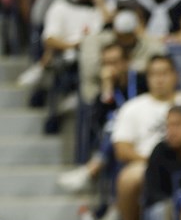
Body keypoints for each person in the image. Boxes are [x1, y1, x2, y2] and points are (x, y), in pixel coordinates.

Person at [111, 54, 181, 220]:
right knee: (128, 178)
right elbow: (121, 149)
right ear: (147, 78)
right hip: (146, 163)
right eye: (154, 74)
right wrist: (154, 161)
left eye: (164, 73)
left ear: (175, 75)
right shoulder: (133, 108)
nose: (159, 79)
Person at [58, 39, 148, 196]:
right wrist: (107, 88)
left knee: (115, 130)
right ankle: (112, 206)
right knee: (113, 133)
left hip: (144, 129)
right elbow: (98, 121)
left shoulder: (142, 81)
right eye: (106, 63)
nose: (110, 68)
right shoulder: (107, 89)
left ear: (127, 62)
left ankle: (91, 170)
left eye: (115, 62)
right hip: (120, 139)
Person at [38, 0, 110, 133]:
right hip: (68, 59)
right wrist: (76, 45)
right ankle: (57, 113)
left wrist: (101, 3)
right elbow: (50, 39)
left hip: (96, 62)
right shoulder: (61, 5)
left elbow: (112, 31)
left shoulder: (104, 8)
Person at [15, 0, 77, 90]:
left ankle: (41, 69)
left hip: (74, 30)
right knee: (40, 33)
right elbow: (36, 18)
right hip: (53, 32)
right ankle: (43, 74)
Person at [78, 7, 164, 105]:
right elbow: (90, 70)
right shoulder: (98, 40)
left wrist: (125, 69)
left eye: (128, 34)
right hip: (100, 93)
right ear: (115, 30)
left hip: (136, 92)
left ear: (135, 32)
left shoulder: (149, 43)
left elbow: (159, 62)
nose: (124, 38)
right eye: (121, 34)